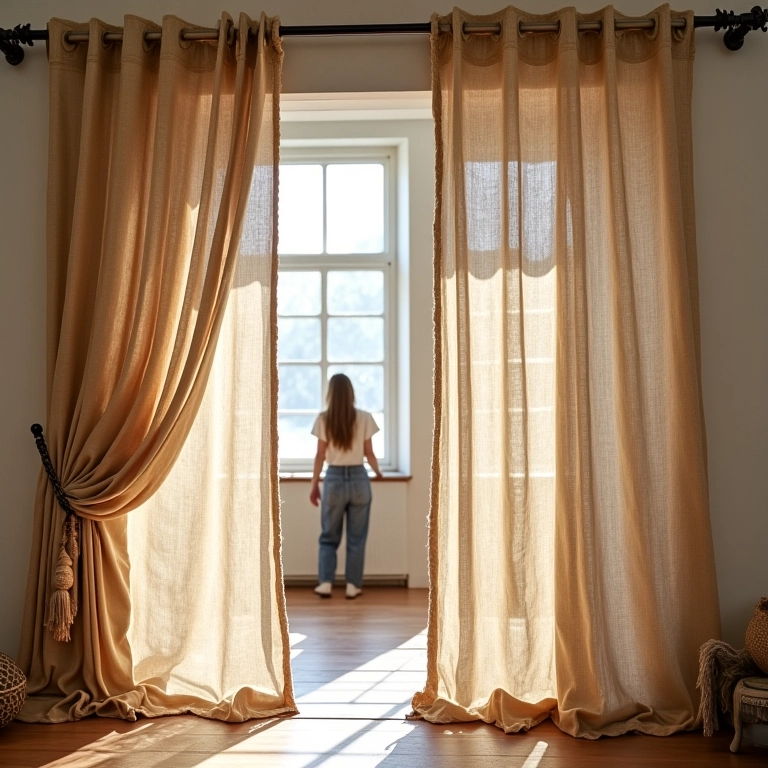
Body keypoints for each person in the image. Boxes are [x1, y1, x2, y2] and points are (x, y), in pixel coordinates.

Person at [309, 373, 382, 599]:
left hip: (334, 480)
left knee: (329, 536)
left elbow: (320, 455)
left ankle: (326, 583)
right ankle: (352, 586)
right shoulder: (364, 417)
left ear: (330, 393)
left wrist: (314, 485)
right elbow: (369, 454)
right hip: (359, 479)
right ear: (351, 392)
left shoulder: (323, 419)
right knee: (356, 537)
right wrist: (379, 473)